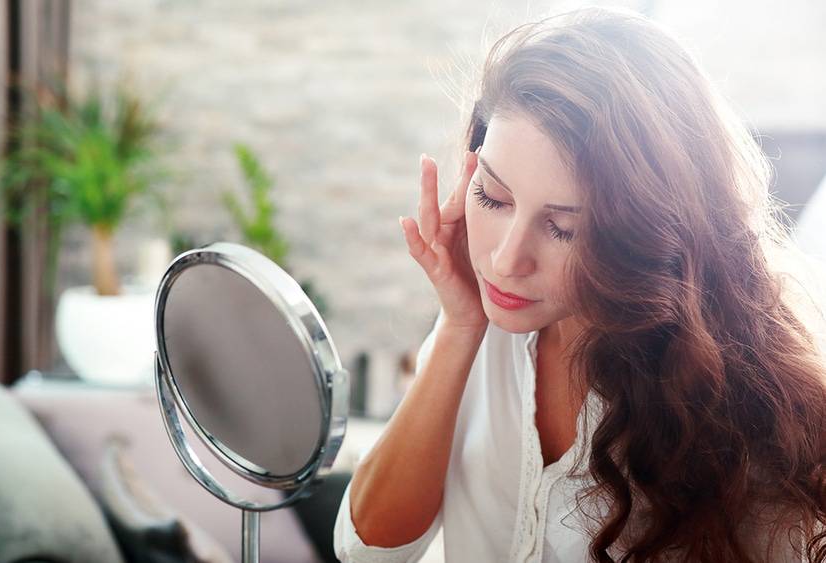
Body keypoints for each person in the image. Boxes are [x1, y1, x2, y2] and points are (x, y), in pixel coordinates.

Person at [333, 6, 826, 562]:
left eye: (564, 228)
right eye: (493, 197)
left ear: (645, 234)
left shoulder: (741, 404)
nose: (505, 258)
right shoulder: (486, 327)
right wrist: (458, 326)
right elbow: (368, 550)